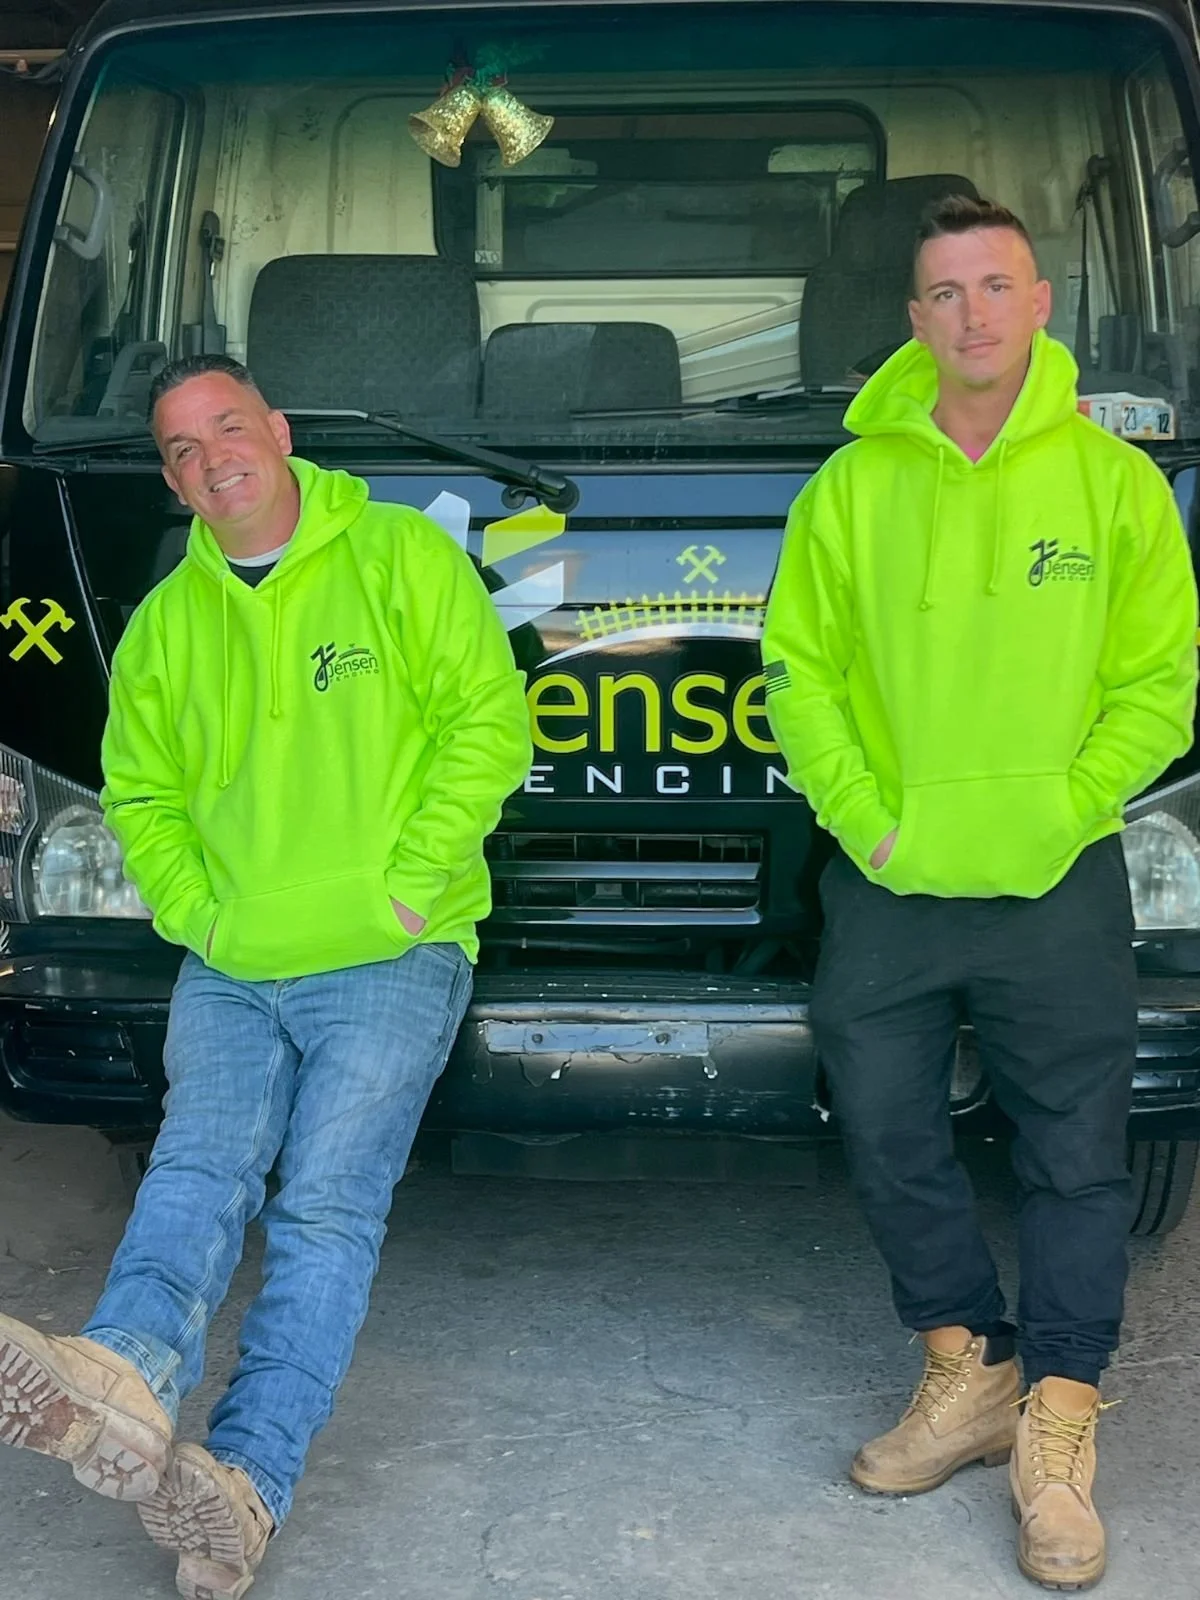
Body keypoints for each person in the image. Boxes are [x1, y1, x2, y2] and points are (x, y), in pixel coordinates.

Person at [0, 353, 533, 1599]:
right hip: (235, 964)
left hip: (393, 953)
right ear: (175, 481)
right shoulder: (171, 620)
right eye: (179, 450)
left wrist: (404, 888)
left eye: (225, 429)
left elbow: (484, 724)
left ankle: (244, 1484)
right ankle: (122, 1377)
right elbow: (143, 790)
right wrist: (199, 914)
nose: (206, 460)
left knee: (323, 1214)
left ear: (278, 431)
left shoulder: (401, 557)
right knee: (196, 1165)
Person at [762, 196, 1197, 1589]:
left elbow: (1158, 686)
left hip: (1054, 879)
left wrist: (1067, 810)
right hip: (891, 882)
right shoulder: (851, 487)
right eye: (942, 293)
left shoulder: (1113, 483)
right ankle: (968, 1366)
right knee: (886, 1131)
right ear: (913, 320)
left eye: (994, 286)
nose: (972, 315)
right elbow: (800, 673)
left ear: (1041, 299)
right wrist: (870, 827)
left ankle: (1059, 1430)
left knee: (1075, 1155)